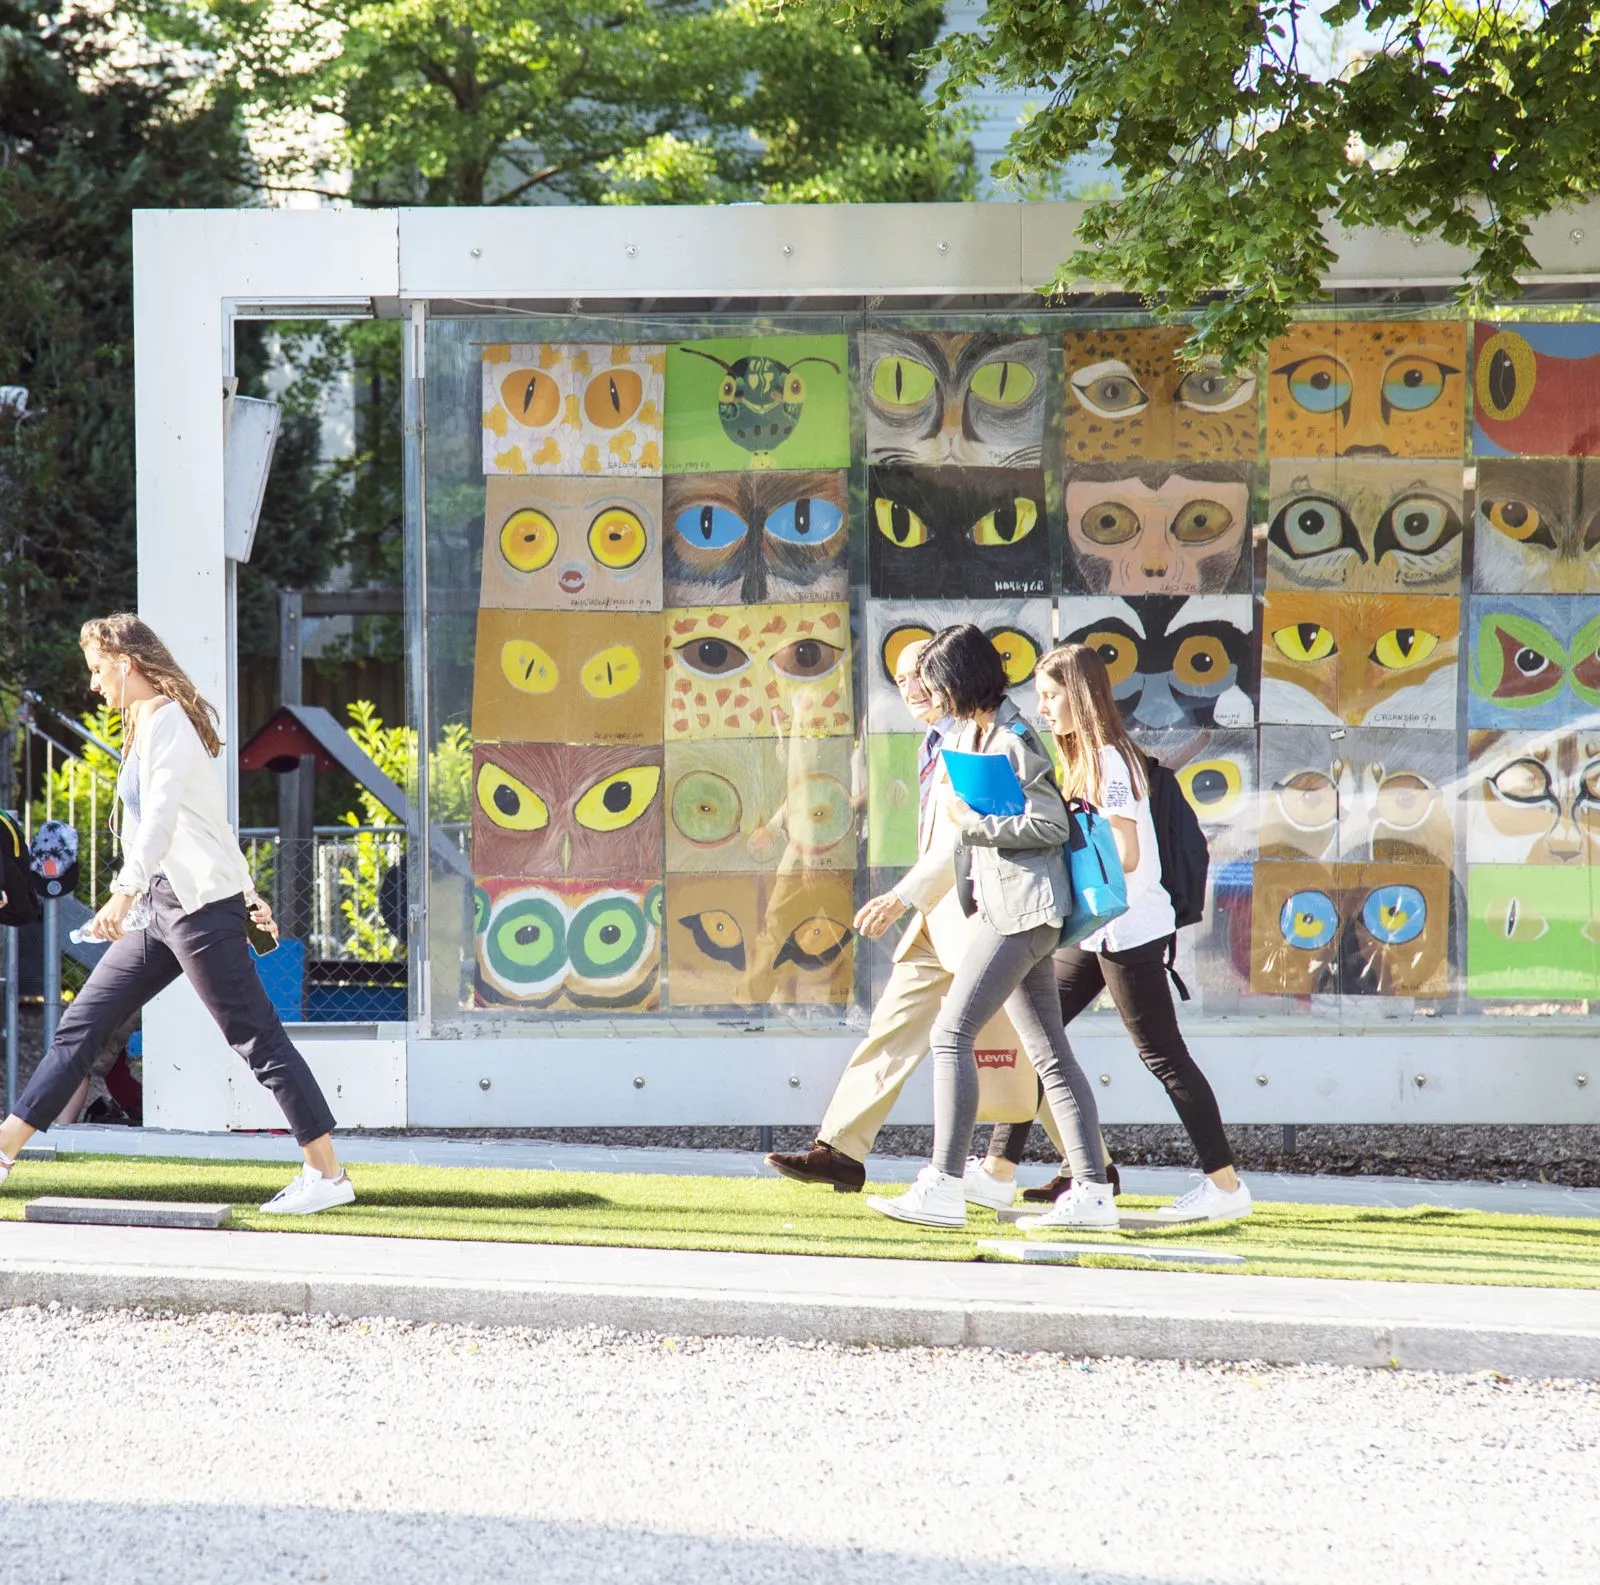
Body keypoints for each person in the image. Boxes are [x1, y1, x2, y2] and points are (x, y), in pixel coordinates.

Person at [0, 615, 355, 1214]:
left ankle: (327, 1174)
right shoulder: (143, 727)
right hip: (160, 913)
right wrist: (247, 891)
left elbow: (167, 816)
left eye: (95, 670)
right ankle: (5, 1150)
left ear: (125, 663)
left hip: (193, 911)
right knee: (81, 1027)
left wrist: (126, 892)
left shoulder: (169, 724)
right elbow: (208, 823)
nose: (93, 686)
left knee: (254, 1035)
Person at [763, 639, 1081, 1202]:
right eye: (906, 679)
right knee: (896, 1027)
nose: (913, 689)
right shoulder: (948, 740)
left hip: (983, 915)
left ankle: (1088, 1166)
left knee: (1027, 1043)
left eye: (922, 677)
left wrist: (902, 897)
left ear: (949, 679)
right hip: (943, 920)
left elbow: (974, 832)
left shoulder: (997, 738)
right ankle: (841, 1150)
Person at [864, 624, 1113, 1231]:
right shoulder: (985, 730)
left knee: (951, 1033)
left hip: (1021, 910)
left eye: (935, 681)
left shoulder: (1012, 737)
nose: (929, 692)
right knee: (1050, 1054)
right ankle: (1093, 1192)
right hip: (1014, 907)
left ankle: (944, 1185)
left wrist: (969, 822)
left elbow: (1049, 825)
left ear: (960, 678)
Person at [1003, 641, 1252, 1228]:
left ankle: (1225, 1185)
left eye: (1050, 697)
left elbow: (1128, 854)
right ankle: (997, 1168)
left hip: (1125, 930)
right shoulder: (1088, 756)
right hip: (1097, 931)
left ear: (1079, 697)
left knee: (1163, 1056)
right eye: (1039, 697)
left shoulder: (1110, 760)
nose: (1042, 709)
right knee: (1036, 1036)